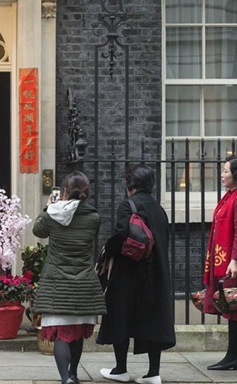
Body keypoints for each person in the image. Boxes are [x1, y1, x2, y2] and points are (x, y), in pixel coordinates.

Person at [97, 164, 175, 384]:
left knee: (120, 317)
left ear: (130, 184)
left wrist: (106, 252)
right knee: (152, 320)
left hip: (128, 274)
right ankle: (153, 373)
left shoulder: (128, 206)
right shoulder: (159, 209)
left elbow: (121, 235)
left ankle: (120, 369)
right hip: (155, 273)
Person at [32, 171, 106, 384]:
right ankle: (73, 373)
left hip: (57, 282)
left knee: (60, 334)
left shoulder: (52, 215)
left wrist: (48, 207)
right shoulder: (94, 218)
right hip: (83, 282)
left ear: (64, 190)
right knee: (77, 331)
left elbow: (38, 231)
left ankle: (66, 378)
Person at [202, 156, 237, 370]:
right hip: (231, 260)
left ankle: (232, 357)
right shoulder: (230, 196)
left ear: (236, 175)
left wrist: (235, 260)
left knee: (234, 307)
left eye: (225, 171)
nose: (222, 174)